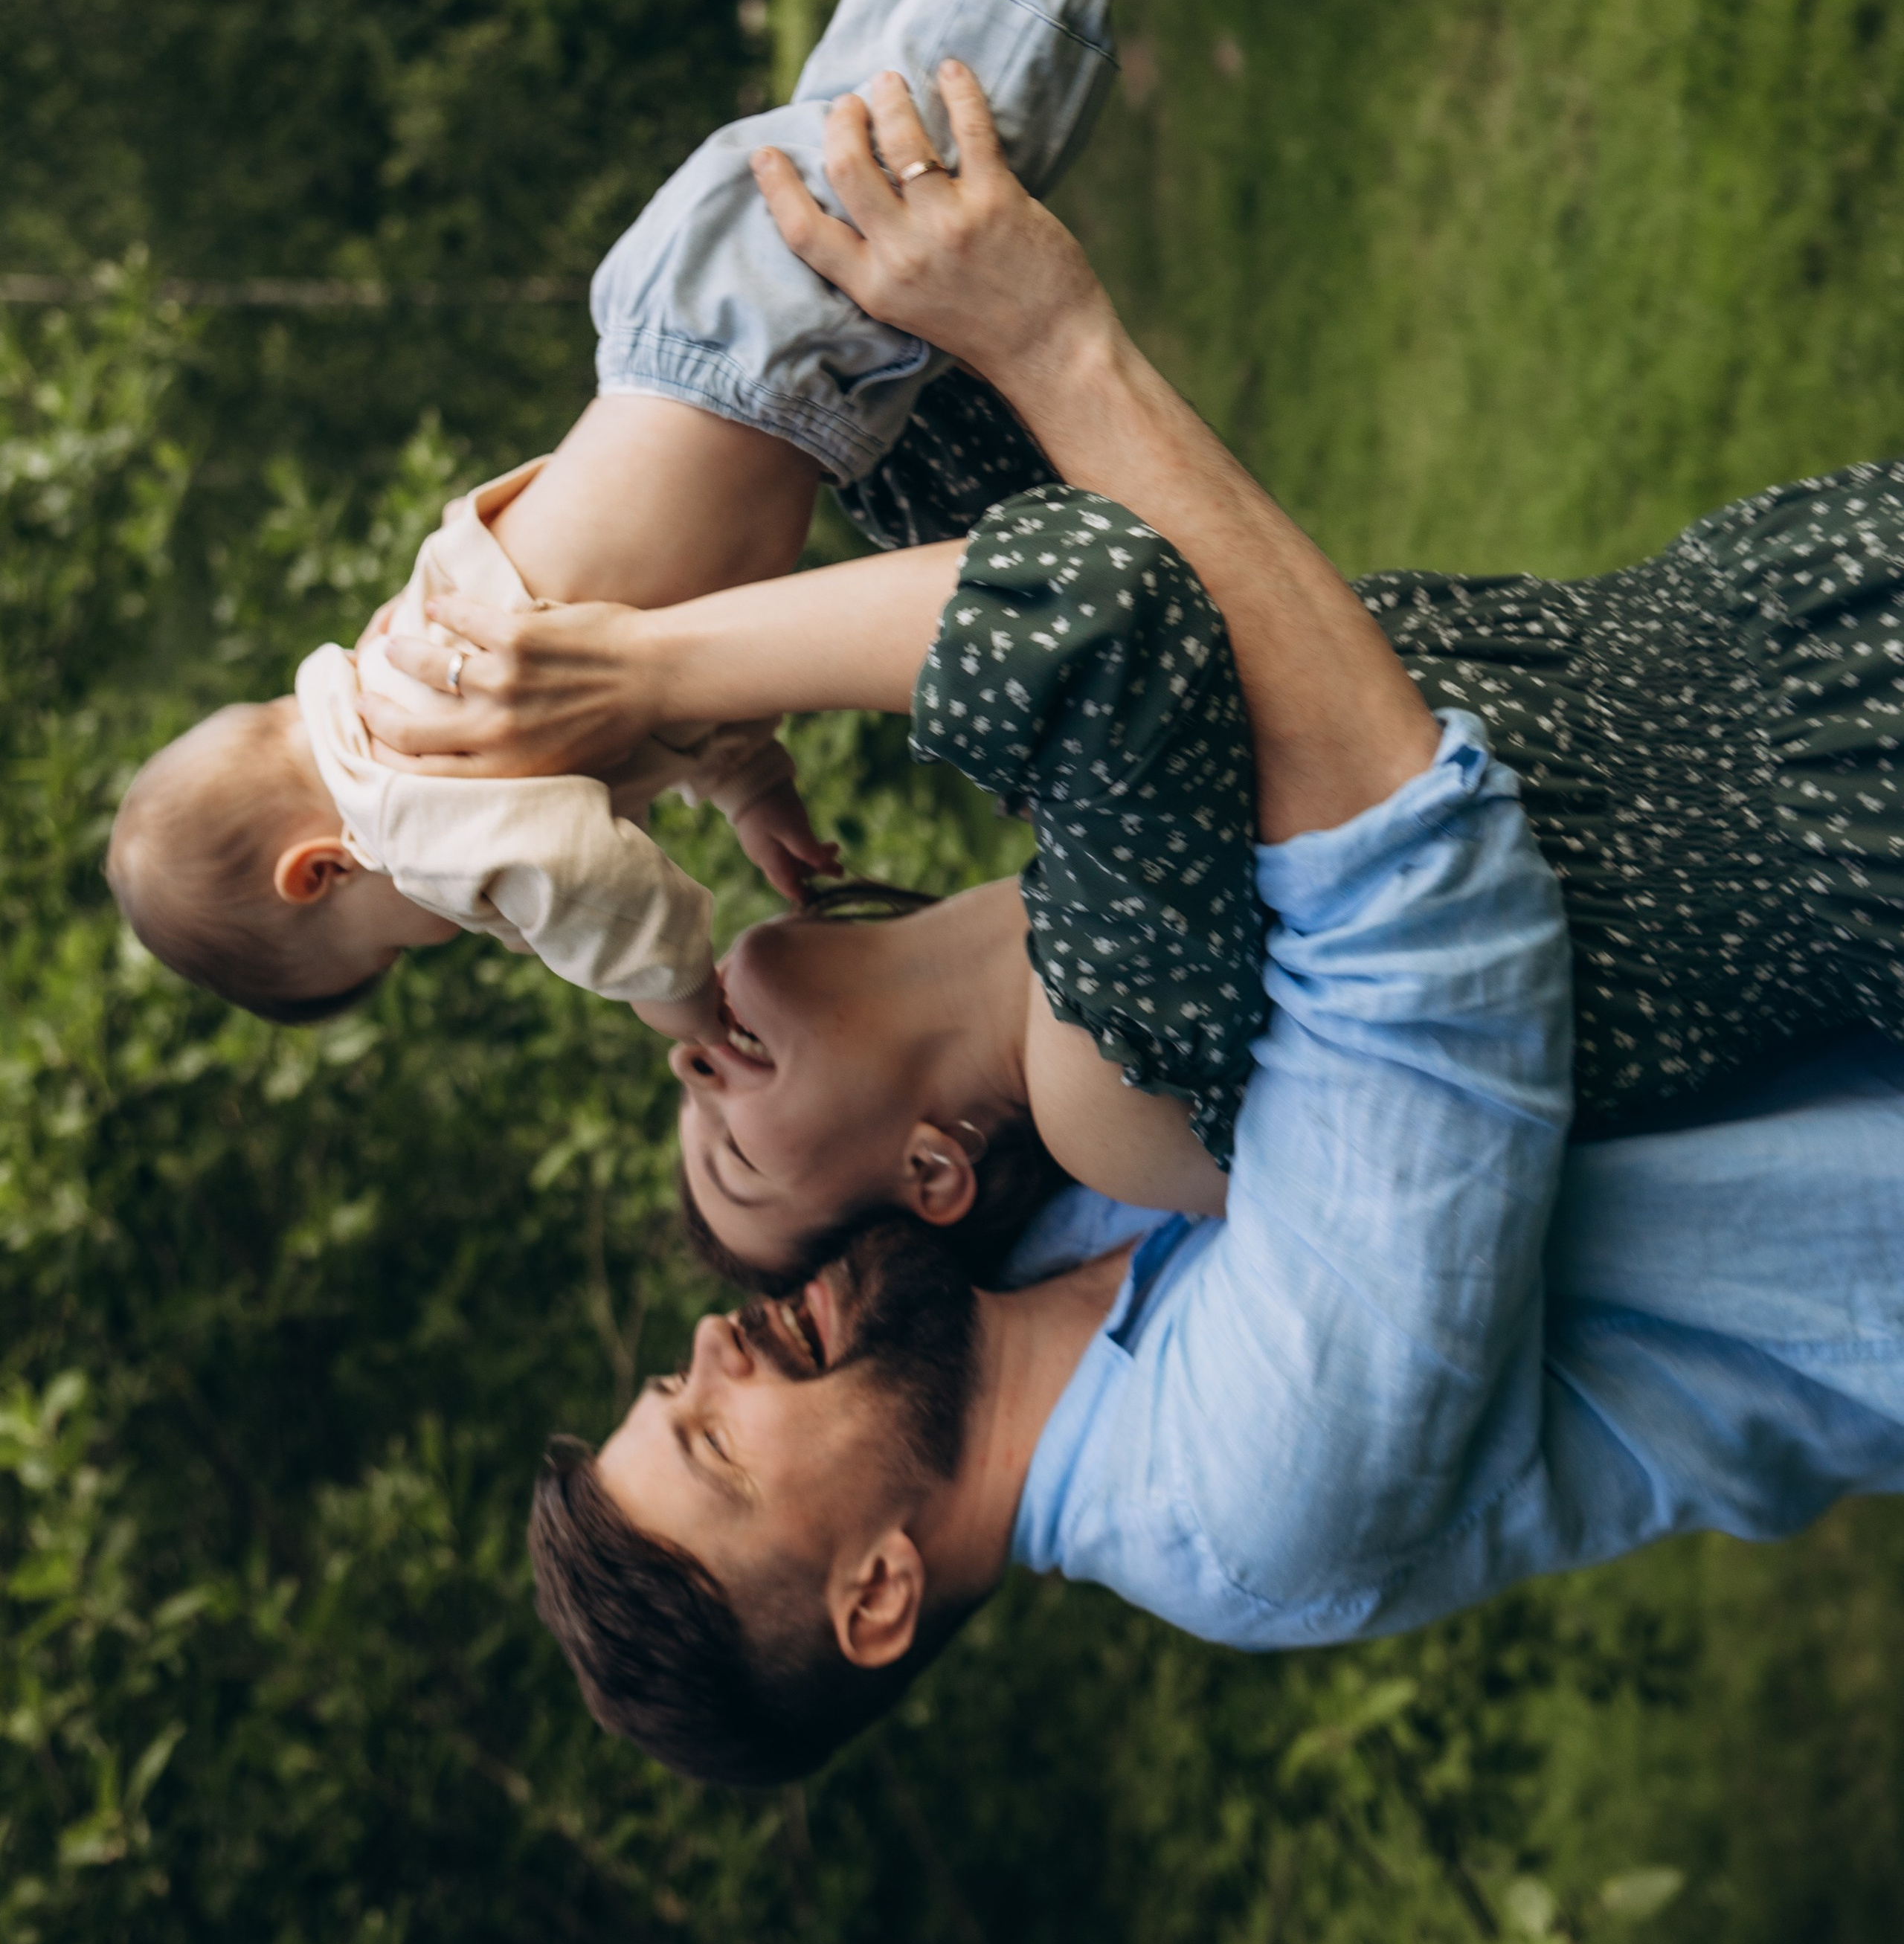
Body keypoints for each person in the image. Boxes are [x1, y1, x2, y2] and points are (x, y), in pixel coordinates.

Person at [484, 79, 1904, 1788]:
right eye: (713, 1443)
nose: (714, 1345)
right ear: (873, 1594)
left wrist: (961, 26)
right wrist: (1050, 342)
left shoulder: (1026, 1223)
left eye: (672, 1385)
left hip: (1805, 657)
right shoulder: (1246, 1494)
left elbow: (1157, 707)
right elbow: (1409, 899)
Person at [364, 67, 1904, 1285]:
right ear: (930, 1173)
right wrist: (633, 666)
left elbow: (924, 398)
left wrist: (952, 3)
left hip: (1805, 597)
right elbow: (1090, 601)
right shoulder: (1115, 1110)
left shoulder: (1080, 851)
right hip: (1863, 844)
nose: (693, 1076)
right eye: (735, 1151)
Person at [105, 0, 1274, 1031]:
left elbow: (588, 888)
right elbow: (664, 686)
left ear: (317, 870)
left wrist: (685, 1006)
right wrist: (751, 789)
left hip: (759, 366)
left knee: (969, 147)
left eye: (391, 952)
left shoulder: (408, 805)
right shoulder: (408, 685)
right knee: (851, 127)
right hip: (680, 338)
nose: (439, 932)